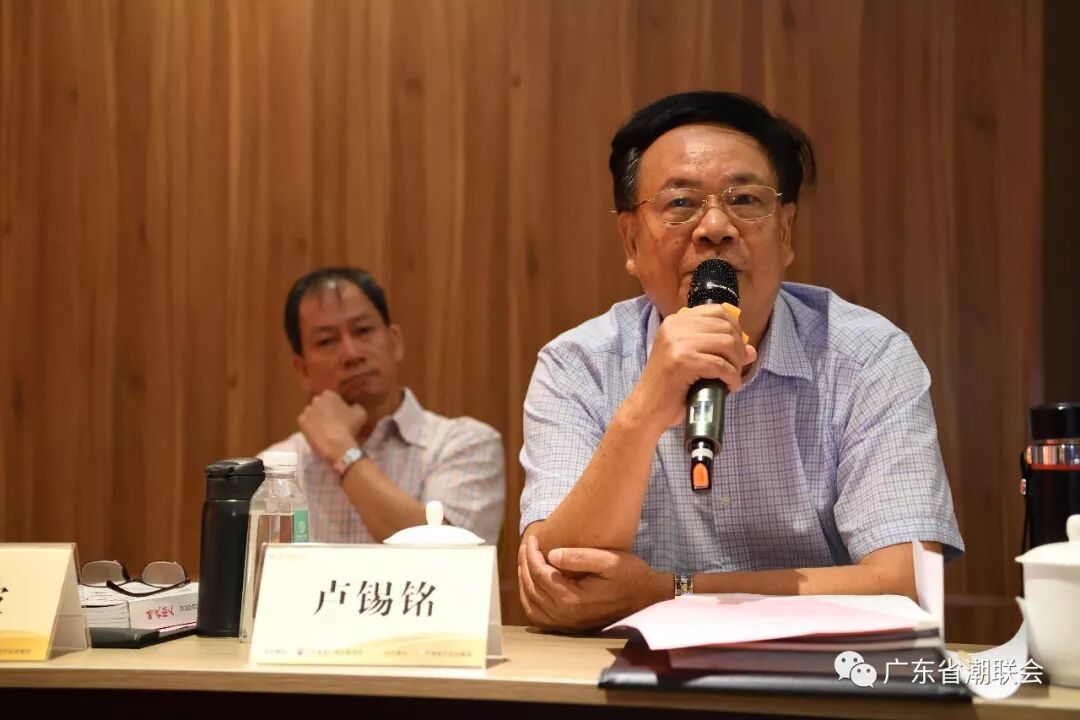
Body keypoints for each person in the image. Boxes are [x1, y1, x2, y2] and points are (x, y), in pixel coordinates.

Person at [517, 91, 963, 631]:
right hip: (628, 676)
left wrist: (668, 592)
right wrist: (644, 410)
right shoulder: (578, 365)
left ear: (785, 232)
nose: (715, 227)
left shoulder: (868, 357)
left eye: (745, 200)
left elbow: (909, 583)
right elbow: (560, 585)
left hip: (822, 675)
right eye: (681, 203)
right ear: (631, 240)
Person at [262, 266, 505, 544]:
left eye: (363, 330)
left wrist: (342, 452)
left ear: (394, 342)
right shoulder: (274, 471)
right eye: (326, 341)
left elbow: (448, 559)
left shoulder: (464, 445)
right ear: (302, 370)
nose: (351, 354)